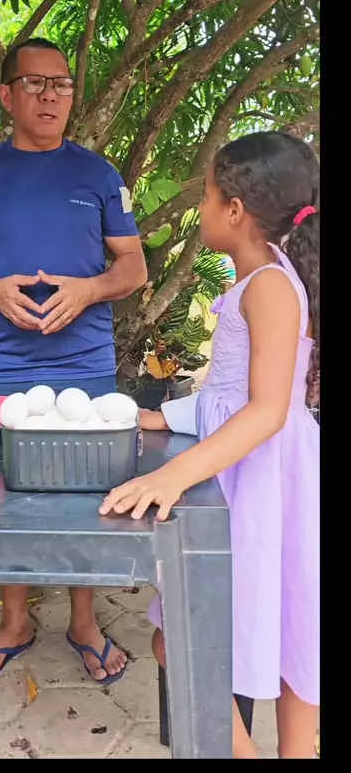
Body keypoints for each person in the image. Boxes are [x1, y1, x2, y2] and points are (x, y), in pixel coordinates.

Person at [0, 37, 147, 686]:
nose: (52, 95)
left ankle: (84, 622)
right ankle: (14, 621)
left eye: (63, 84)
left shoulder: (99, 176)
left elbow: (133, 267)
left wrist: (90, 289)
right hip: (1, 365)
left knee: (88, 496)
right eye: (36, 83)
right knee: (4, 496)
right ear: (6, 94)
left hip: (84, 365)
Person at [100, 131, 319, 758]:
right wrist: (165, 416)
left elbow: (266, 410)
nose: (201, 208)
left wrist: (173, 475)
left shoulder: (269, 286)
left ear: (235, 210)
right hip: (254, 474)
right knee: (277, 630)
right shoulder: (260, 280)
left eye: (206, 196)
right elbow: (230, 393)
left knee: (194, 636)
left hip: (263, 483)